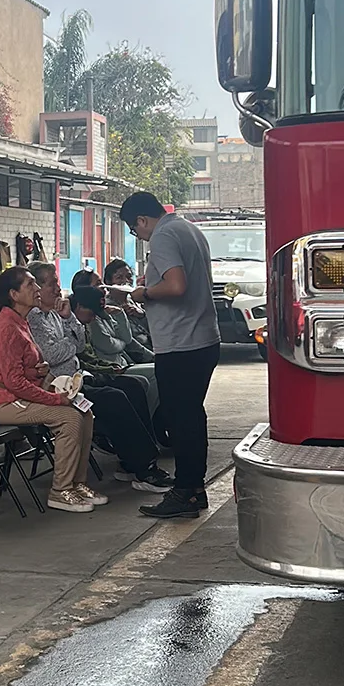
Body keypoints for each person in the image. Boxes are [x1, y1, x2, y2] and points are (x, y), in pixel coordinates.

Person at [25, 261, 173, 493]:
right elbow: (52, 355)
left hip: (78, 377)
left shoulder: (54, 313)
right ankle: (144, 468)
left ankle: (131, 462)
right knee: (114, 399)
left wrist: (68, 320)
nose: (58, 288)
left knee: (133, 386)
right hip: (60, 387)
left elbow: (79, 343)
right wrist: (70, 342)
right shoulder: (33, 318)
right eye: (52, 284)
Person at [120, 192, 220, 518]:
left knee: (181, 421)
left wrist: (144, 292)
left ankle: (185, 492)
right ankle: (194, 489)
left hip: (181, 344)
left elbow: (176, 285)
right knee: (191, 417)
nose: (138, 235)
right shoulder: (189, 229)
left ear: (142, 220)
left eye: (134, 229)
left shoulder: (162, 236)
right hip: (202, 338)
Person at [0, 267, 100, 513]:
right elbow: (13, 383)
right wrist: (55, 399)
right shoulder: (6, 326)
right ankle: (60, 490)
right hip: (5, 403)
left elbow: (20, 369)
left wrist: (39, 370)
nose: (37, 289)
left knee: (85, 412)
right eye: (30, 285)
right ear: (14, 294)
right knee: (69, 418)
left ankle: (77, 483)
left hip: (22, 395)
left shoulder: (20, 321)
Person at [70, 284, 160, 427]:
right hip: (95, 373)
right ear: (79, 306)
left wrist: (120, 314)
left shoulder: (98, 316)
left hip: (113, 365)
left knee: (149, 378)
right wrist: (111, 367)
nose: (93, 318)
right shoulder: (78, 324)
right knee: (140, 383)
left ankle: (151, 425)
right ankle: (146, 424)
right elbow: (107, 347)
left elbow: (127, 339)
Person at [103, 257, 152, 349]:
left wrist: (141, 315)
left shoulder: (134, 301)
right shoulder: (108, 307)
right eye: (119, 277)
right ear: (109, 282)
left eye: (129, 277)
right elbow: (126, 341)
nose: (126, 281)